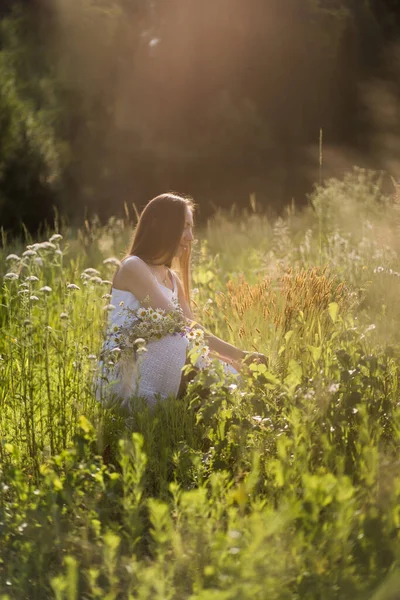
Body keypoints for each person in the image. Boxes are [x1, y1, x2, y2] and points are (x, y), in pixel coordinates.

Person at [96, 193, 265, 409]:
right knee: (173, 343)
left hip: (160, 363)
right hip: (124, 373)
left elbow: (194, 339)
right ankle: (158, 411)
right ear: (160, 226)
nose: (191, 236)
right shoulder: (133, 267)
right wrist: (239, 354)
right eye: (184, 226)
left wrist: (234, 362)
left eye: (191, 227)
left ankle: (199, 412)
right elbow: (182, 327)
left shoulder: (172, 279)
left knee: (230, 371)